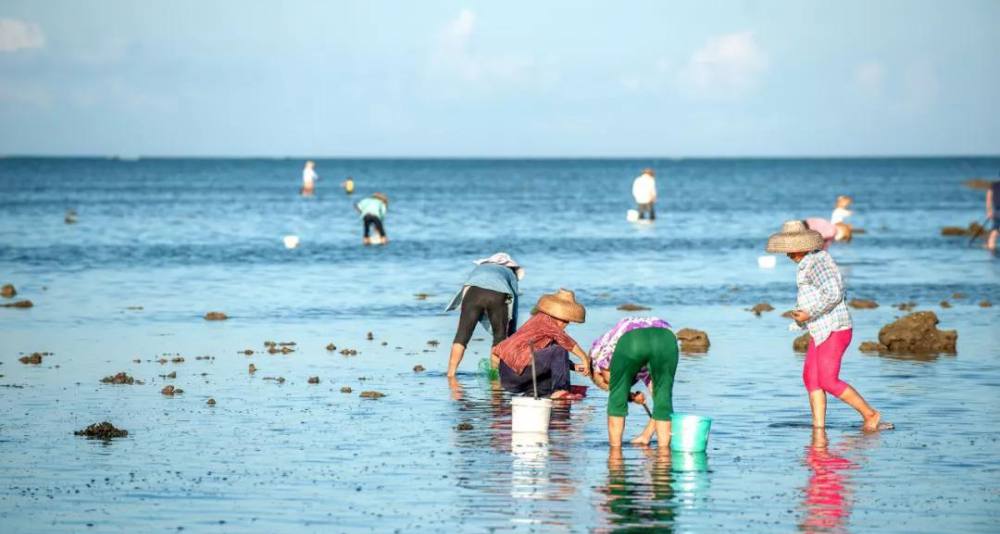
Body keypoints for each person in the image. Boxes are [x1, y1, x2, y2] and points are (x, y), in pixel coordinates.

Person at [766, 221, 891, 432]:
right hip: (821, 328)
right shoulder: (809, 262)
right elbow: (817, 296)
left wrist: (809, 312)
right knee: (811, 378)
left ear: (803, 246)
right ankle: (819, 428)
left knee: (828, 380)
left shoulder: (818, 263)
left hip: (835, 328)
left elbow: (834, 293)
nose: (788, 255)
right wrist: (802, 317)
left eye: (790, 250)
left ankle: (871, 414)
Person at [589, 317, 678, 448]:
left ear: (598, 374)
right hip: (666, 337)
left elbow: (614, 385)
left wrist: (624, 395)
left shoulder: (596, 356)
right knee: (663, 399)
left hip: (632, 340)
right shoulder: (642, 369)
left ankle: (615, 452)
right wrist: (646, 435)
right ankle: (664, 456)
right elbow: (659, 405)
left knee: (616, 400)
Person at [490, 289, 591, 399]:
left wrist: (573, 366)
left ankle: (540, 394)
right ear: (558, 315)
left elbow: (552, 358)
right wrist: (585, 358)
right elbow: (567, 342)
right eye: (566, 321)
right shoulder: (546, 321)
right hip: (515, 372)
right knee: (559, 350)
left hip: (510, 377)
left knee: (554, 354)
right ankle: (560, 390)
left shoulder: (540, 325)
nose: (566, 324)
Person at [445, 253, 525, 377]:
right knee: (499, 338)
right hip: (499, 294)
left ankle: (450, 374)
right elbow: (512, 301)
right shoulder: (509, 273)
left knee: (462, 335)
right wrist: (511, 331)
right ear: (512, 267)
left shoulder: (480, 268)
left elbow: (466, 288)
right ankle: (495, 375)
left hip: (473, 293)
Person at [987, 178, 999, 251]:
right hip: (997, 211)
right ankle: (991, 248)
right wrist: (989, 211)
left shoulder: (993, 185)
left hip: (996, 211)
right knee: (995, 230)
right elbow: (989, 198)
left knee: (994, 231)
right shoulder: (994, 185)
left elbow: (988, 198)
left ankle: (991, 248)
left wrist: (989, 211)